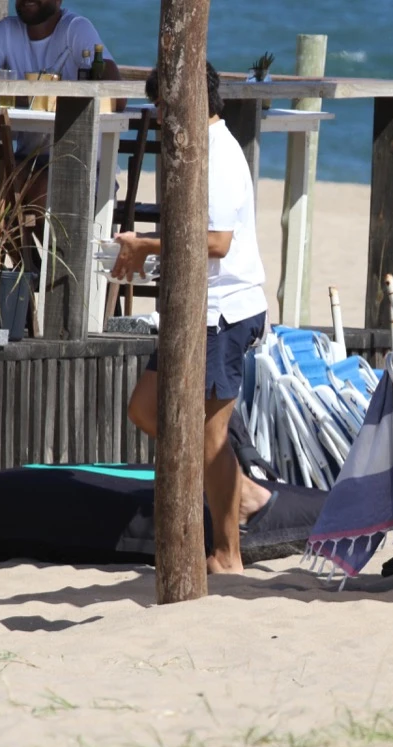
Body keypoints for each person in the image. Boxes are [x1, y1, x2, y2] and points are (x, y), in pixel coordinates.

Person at [121, 63, 268, 575]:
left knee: (210, 437)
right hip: (192, 309)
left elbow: (218, 244)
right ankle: (242, 491)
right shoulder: (195, 148)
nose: (158, 117)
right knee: (145, 408)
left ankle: (228, 554)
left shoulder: (219, 154)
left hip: (227, 311)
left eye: (163, 106)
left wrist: (146, 246)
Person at [0, 0, 122, 168]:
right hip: (28, 159)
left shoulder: (76, 28)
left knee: (36, 185)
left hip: (83, 162)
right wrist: (30, 99)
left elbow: (117, 97)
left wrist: (27, 99)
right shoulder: (7, 30)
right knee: (5, 180)